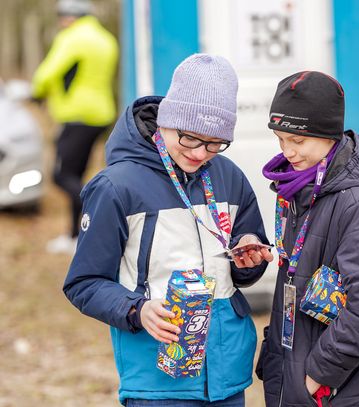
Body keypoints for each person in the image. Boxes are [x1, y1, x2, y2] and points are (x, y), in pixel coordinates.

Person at [63, 53, 273, 406]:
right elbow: (83, 283)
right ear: (167, 121)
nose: (201, 153)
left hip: (227, 375)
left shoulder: (229, 176)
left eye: (215, 143)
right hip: (156, 379)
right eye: (190, 138)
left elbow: (245, 264)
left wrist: (248, 258)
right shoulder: (116, 187)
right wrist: (137, 309)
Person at [257, 71, 359, 406]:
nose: (288, 152)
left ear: (329, 136)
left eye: (298, 141)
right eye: (281, 140)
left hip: (342, 389)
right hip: (299, 370)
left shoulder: (358, 204)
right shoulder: (302, 189)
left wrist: (316, 377)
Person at [32, 0, 118, 254]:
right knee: (76, 174)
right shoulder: (106, 39)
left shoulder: (72, 38)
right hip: (101, 113)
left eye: (62, 16)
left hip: (77, 114)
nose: (60, 20)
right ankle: (74, 235)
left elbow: (48, 72)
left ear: (71, 17)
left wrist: (37, 91)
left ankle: (100, 214)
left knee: (62, 175)